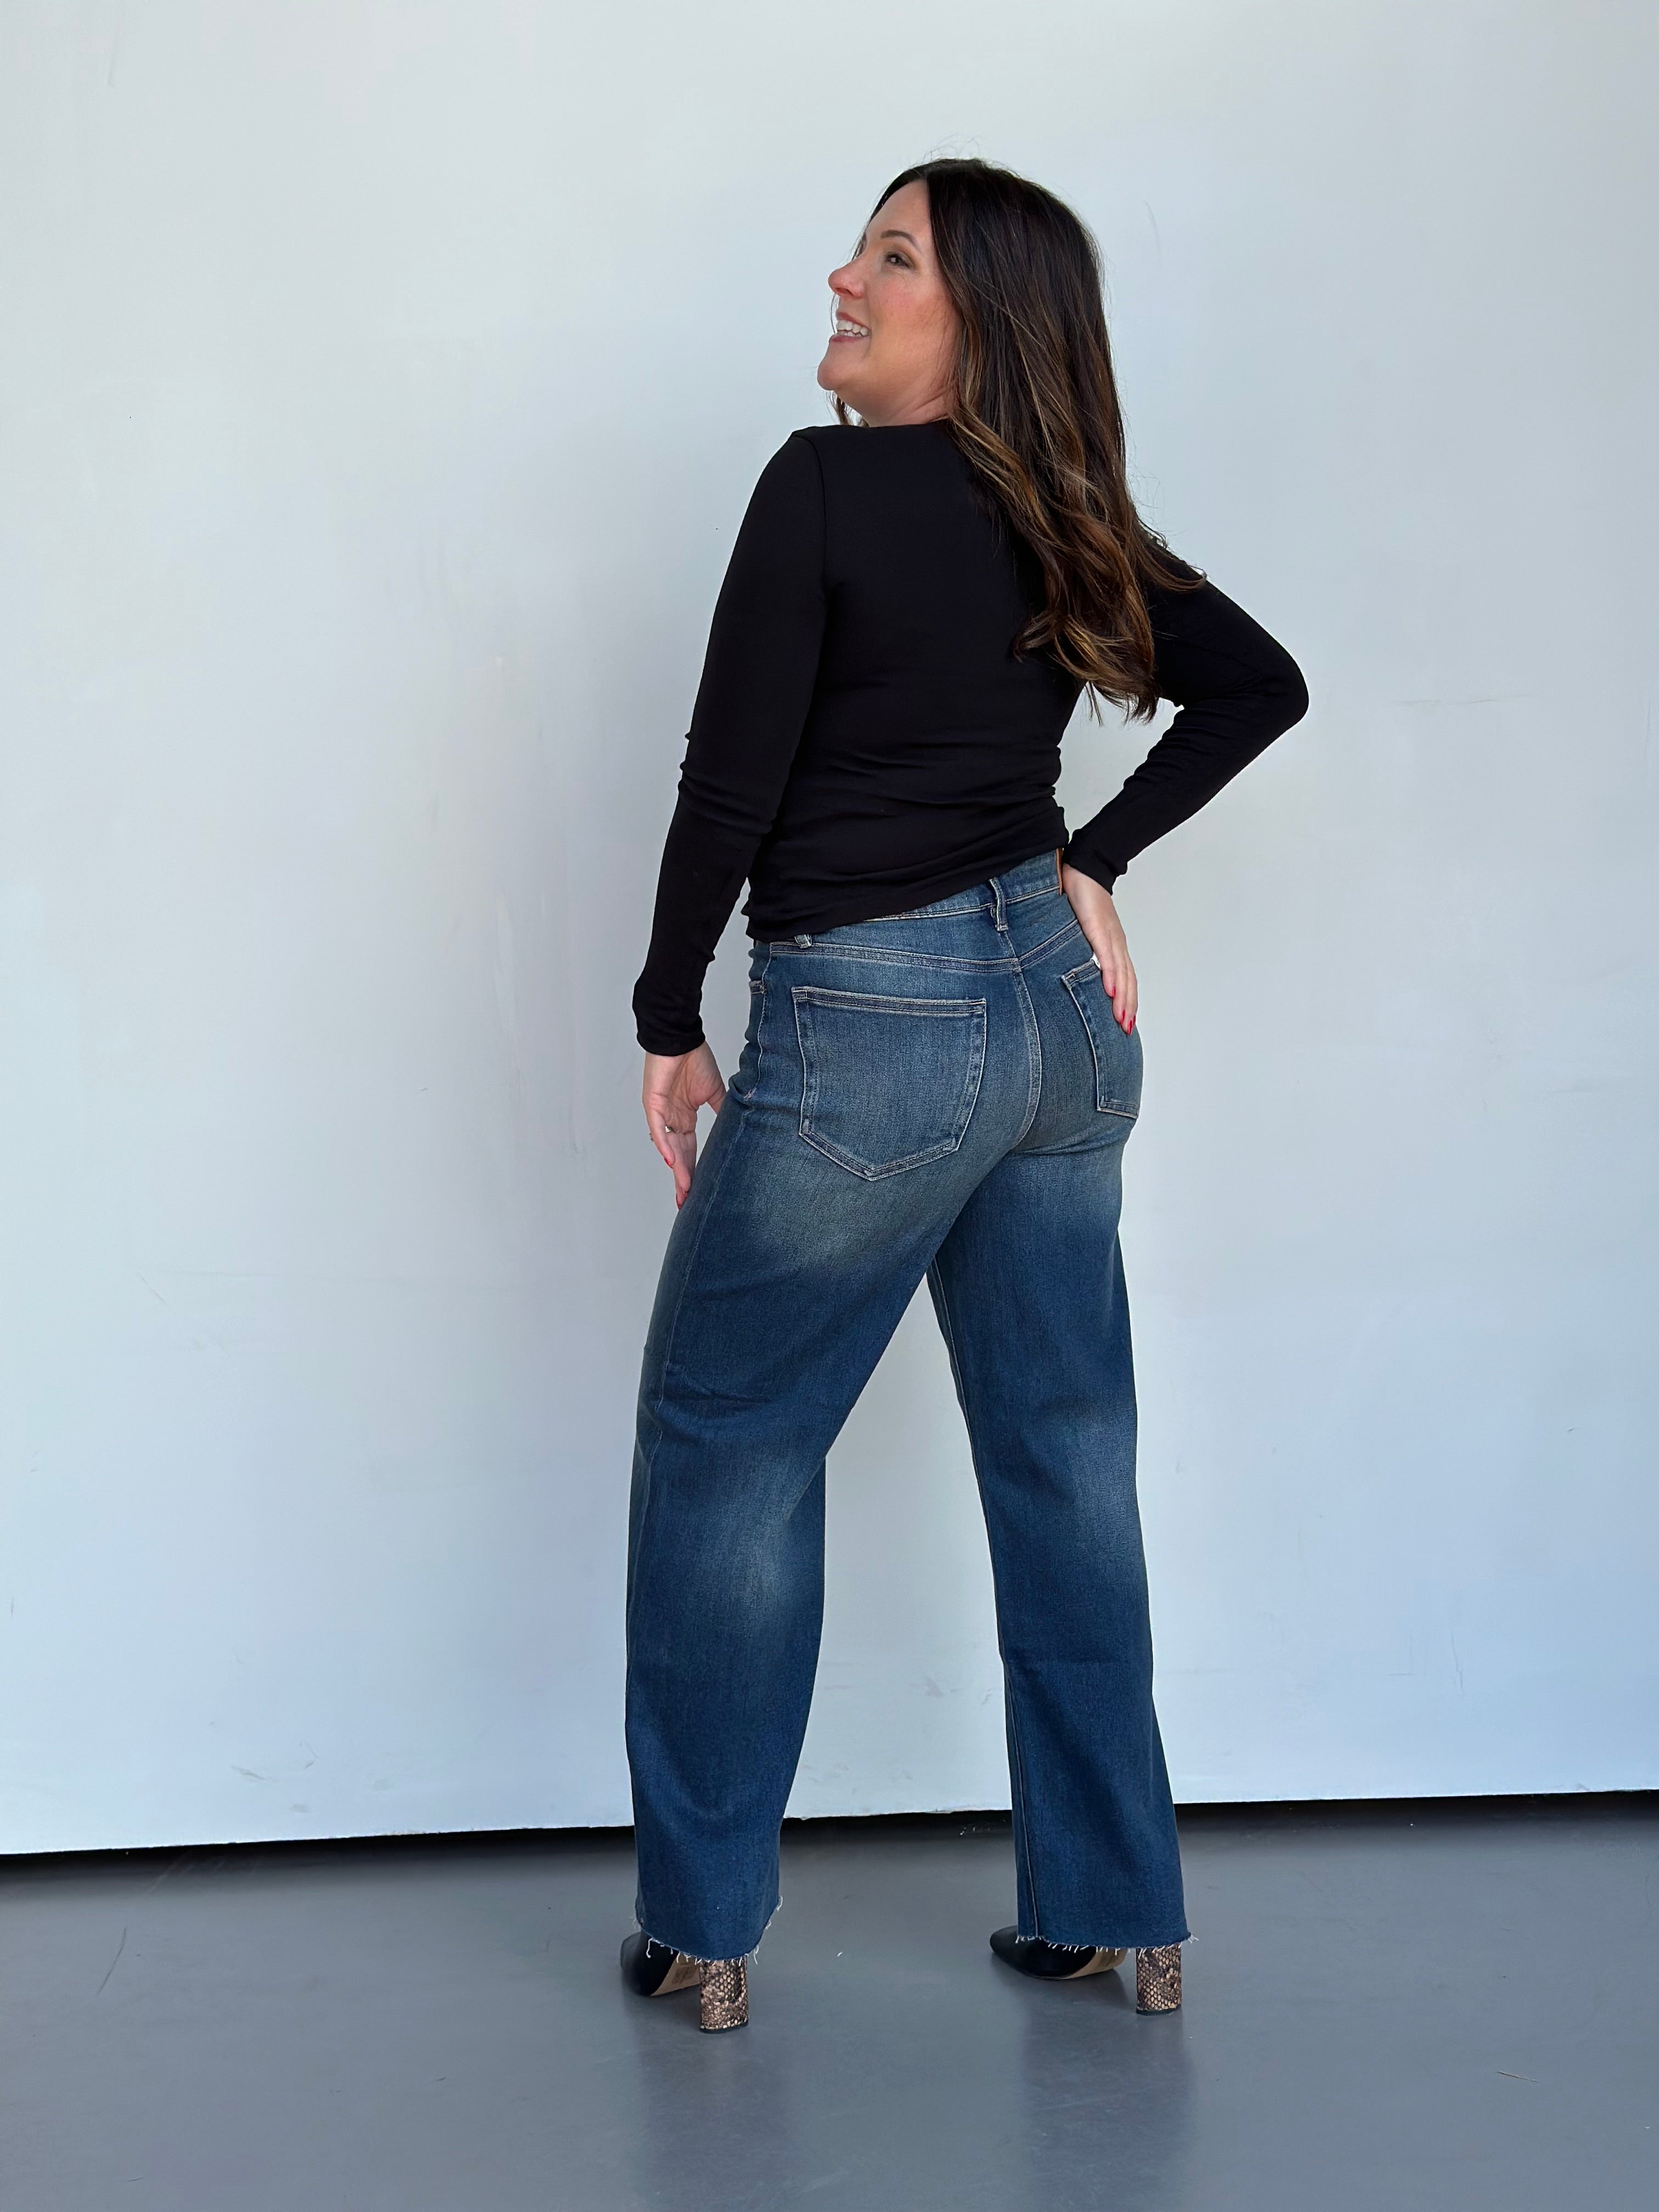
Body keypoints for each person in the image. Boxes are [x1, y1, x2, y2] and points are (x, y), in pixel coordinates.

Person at [618, 159, 1308, 2033]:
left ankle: (704, 1932)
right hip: (1063, 1031)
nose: (845, 278)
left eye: (892, 257)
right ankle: (1118, 1910)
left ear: (978, 321)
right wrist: (1089, 862)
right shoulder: (1067, 519)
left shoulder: (821, 487)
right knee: (1066, 1453)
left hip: (875, 1029)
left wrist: (669, 1014)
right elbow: (1259, 685)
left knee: (730, 1445)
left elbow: (727, 782)